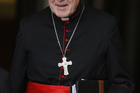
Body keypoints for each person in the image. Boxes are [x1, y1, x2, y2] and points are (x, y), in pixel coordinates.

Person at [10, 0, 134, 93]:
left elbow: (122, 83)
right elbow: (15, 85)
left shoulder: (105, 26)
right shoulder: (28, 26)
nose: (59, 0)